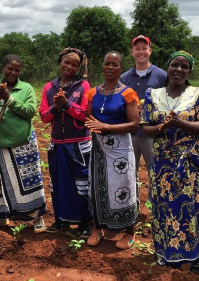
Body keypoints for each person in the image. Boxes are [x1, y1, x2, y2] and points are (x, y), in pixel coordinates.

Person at [141, 51, 199, 273]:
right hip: (162, 163)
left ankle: (193, 257)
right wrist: (161, 127)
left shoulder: (196, 94)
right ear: (168, 67)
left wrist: (178, 123)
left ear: (189, 71)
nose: (179, 70)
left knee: (189, 208)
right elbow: (145, 128)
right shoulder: (152, 95)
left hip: (189, 163)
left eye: (185, 67)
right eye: (175, 65)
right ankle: (167, 254)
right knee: (164, 207)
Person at [0, 54, 46, 233]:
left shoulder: (27, 88)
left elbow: (30, 111)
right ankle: (1, 218)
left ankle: (37, 218)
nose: (13, 72)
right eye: (10, 68)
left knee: (30, 181)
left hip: (22, 143)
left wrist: (10, 100)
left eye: (17, 70)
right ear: (3, 67)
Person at [85, 51, 139, 249]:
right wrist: (96, 127)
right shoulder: (92, 93)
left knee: (123, 186)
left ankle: (129, 232)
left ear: (120, 69)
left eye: (114, 64)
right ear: (102, 67)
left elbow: (134, 124)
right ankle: (98, 228)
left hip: (120, 149)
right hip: (98, 147)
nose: (110, 67)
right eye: (107, 63)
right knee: (97, 186)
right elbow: (89, 119)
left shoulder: (128, 93)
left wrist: (107, 127)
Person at [39, 47, 92, 237]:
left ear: (78, 68)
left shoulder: (83, 86)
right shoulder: (48, 87)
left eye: (74, 65)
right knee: (59, 182)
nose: (69, 67)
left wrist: (67, 104)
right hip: (58, 145)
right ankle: (61, 221)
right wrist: (56, 106)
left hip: (79, 144)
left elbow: (86, 115)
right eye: (66, 62)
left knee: (81, 182)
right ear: (60, 62)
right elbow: (44, 117)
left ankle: (84, 222)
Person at [120, 35, 167, 182]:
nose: (141, 52)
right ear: (132, 52)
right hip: (130, 134)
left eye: (144, 48)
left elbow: (168, 102)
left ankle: (156, 204)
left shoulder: (161, 76)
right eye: (137, 49)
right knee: (128, 175)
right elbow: (119, 104)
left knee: (155, 173)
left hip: (152, 134)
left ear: (150, 51)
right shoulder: (124, 78)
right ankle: (132, 204)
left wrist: (151, 109)